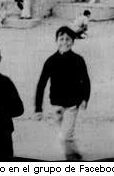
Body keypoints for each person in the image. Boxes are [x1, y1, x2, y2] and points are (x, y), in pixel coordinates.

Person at [34, 26, 91, 160]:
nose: (64, 42)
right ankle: (74, 152)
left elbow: (86, 80)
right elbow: (41, 84)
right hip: (56, 105)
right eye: (61, 39)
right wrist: (38, 108)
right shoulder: (51, 61)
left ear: (73, 41)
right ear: (56, 41)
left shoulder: (78, 60)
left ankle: (72, 159)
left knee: (66, 135)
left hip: (73, 104)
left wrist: (85, 99)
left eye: (68, 39)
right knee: (65, 133)